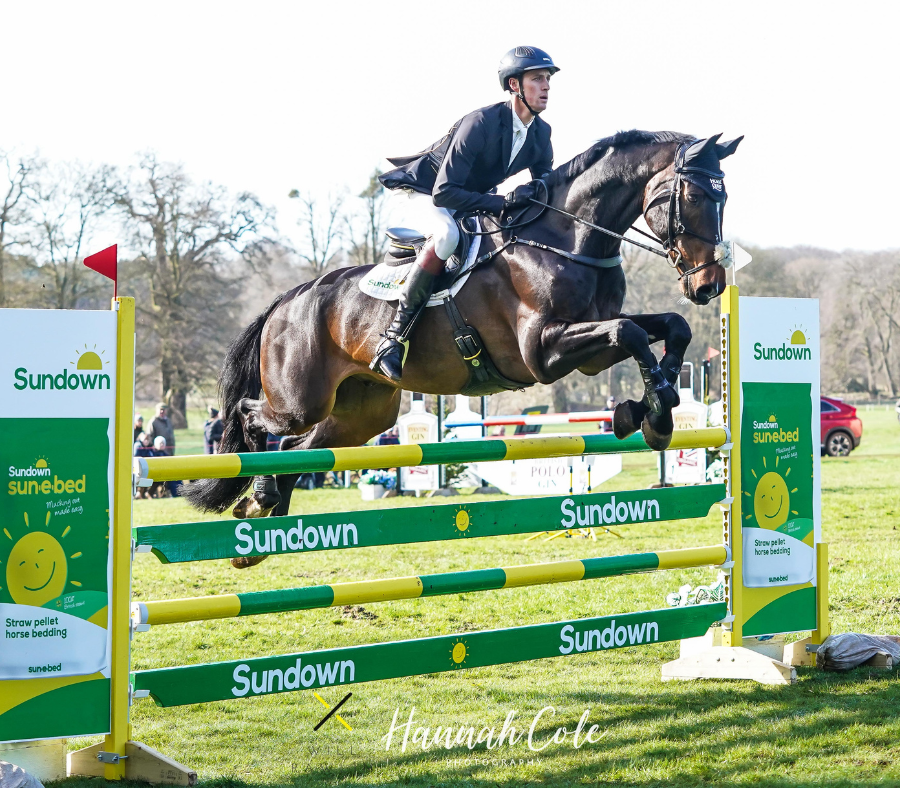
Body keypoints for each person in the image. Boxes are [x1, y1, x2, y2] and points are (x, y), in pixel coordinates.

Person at [372, 46, 560, 382]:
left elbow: (544, 188)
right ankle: (394, 337)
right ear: (515, 86)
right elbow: (444, 191)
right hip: (425, 191)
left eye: (547, 79)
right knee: (447, 236)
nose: (546, 86)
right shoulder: (481, 123)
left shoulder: (541, 133)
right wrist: (502, 203)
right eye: (537, 79)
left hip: (465, 197)